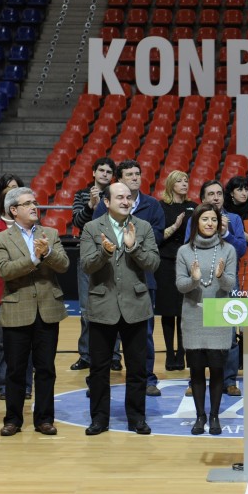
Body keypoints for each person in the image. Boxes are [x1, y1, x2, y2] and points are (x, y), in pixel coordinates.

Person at [80, 182, 160, 435]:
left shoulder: (143, 227)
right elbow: (86, 265)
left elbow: (153, 263)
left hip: (135, 306)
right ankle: (99, 419)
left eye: (129, 197)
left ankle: (137, 418)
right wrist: (104, 252)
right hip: (102, 306)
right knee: (99, 368)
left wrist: (134, 247)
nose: (126, 201)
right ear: (106, 202)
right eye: (120, 197)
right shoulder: (92, 228)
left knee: (137, 368)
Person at [0, 188, 69, 437]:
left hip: (47, 309)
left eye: (34, 202)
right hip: (17, 311)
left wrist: (47, 253)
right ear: (14, 210)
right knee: (15, 370)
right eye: (27, 204)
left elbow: (64, 265)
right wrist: (35, 260)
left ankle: (45, 419)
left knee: (46, 369)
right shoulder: (1, 239)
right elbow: (5, 271)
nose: (34, 207)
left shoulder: (51, 234)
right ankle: (13, 419)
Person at [93, 160, 165, 396]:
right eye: (129, 174)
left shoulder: (152, 205)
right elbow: (96, 233)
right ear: (119, 179)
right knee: (105, 335)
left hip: (143, 278)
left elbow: (156, 237)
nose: (135, 178)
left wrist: (132, 241)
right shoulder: (103, 205)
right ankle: (99, 381)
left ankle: (148, 378)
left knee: (144, 334)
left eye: (137, 174)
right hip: (109, 279)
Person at [175, 203, 237, 436]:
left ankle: (214, 416)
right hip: (193, 316)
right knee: (197, 371)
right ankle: (200, 416)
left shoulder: (228, 250)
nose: (210, 223)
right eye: (205, 219)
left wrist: (220, 276)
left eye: (213, 219)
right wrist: (193, 279)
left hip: (218, 315)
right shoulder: (184, 251)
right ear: (196, 223)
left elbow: (230, 285)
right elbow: (181, 286)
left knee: (218, 370)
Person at [0, 174, 32, 400]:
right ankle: (3, 385)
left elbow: (35, 256)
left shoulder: (31, 228)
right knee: (1, 342)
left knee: (26, 343)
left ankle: (26, 385)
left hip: (26, 292)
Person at [193, 180, 247, 396]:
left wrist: (225, 234)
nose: (216, 197)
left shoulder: (234, 219)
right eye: (211, 194)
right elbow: (188, 248)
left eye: (219, 194)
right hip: (200, 283)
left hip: (227, 282)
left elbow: (241, 249)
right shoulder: (195, 219)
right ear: (202, 199)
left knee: (229, 334)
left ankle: (229, 380)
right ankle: (196, 380)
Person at [70, 156, 116, 371]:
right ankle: (86, 355)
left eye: (109, 171)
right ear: (94, 173)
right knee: (86, 308)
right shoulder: (81, 194)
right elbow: (77, 222)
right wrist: (90, 205)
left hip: (112, 255)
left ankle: (114, 355)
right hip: (87, 255)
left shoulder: (116, 195)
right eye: (101, 170)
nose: (105, 174)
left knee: (114, 304)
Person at [156, 171, 195, 372]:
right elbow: (156, 236)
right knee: (168, 310)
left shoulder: (193, 206)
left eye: (186, 180)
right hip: (166, 261)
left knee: (184, 310)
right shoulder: (161, 207)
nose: (184, 184)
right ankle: (169, 353)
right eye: (179, 181)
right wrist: (175, 226)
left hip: (187, 263)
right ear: (171, 184)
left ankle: (182, 353)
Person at [224, 175, 248, 293]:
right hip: (227, 257)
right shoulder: (223, 211)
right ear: (231, 193)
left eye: (246, 189)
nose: (244, 193)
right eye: (240, 190)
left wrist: (239, 233)